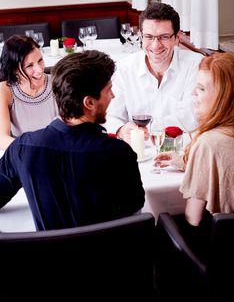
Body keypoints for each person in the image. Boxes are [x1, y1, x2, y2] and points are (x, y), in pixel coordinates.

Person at [0, 50, 145, 231]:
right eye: (108, 90)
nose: (113, 96)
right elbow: (133, 214)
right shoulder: (118, 153)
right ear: (89, 103)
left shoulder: (22, 148)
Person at [155, 52, 234, 227]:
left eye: (201, 89)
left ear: (223, 96)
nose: (193, 93)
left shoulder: (209, 143)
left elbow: (193, 219)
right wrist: (187, 163)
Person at [104, 2, 203, 143]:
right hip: (137, 152)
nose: (156, 45)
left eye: (164, 37)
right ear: (140, 36)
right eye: (149, 37)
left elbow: (192, 116)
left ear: (177, 38)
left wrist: (149, 128)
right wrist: (121, 129)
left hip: (181, 150)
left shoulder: (196, 65)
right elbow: (111, 115)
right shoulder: (124, 69)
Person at [0, 34, 58, 150]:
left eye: (40, 60)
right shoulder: (4, 90)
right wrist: (34, 151)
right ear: (14, 69)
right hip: (24, 155)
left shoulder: (58, 82)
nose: (39, 69)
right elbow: (2, 139)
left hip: (58, 151)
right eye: (29, 65)